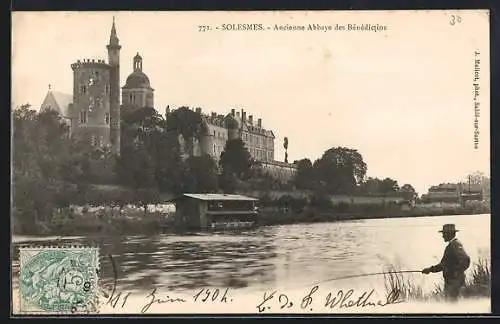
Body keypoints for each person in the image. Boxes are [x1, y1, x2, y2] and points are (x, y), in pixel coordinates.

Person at [422, 224, 471, 302]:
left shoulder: (455, 245)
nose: (443, 236)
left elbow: (466, 259)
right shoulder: (452, 245)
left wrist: (455, 272)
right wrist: (430, 269)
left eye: (444, 234)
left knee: (452, 305)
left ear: (450, 234)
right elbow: (443, 265)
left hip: (454, 283)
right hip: (451, 282)